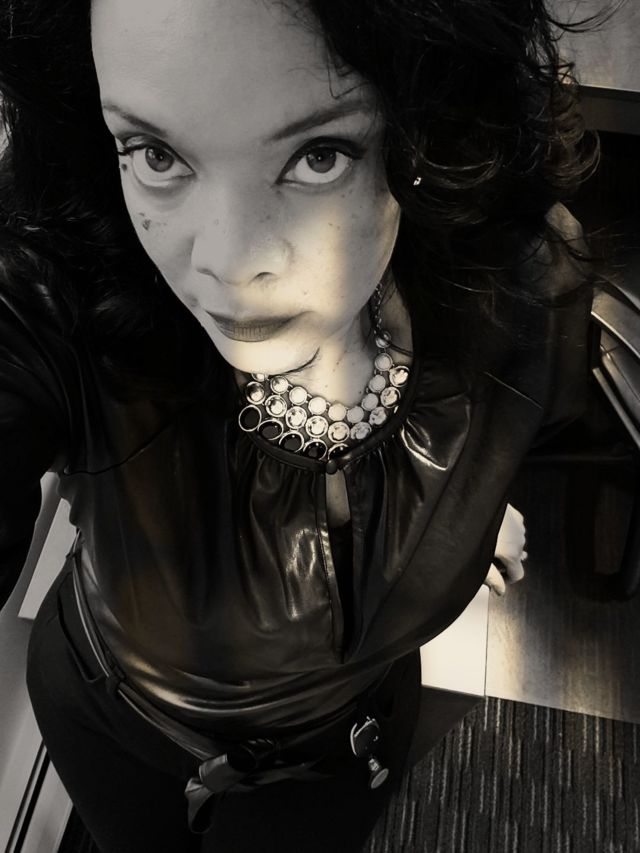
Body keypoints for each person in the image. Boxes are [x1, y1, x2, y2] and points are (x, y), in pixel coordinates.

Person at [0, 0, 594, 850]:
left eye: (320, 155)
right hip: (113, 725)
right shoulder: (67, 306)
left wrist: (475, 503)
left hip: (348, 749)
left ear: (421, 127)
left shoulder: (524, 287)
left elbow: (521, 417)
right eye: (156, 154)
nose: (229, 262)